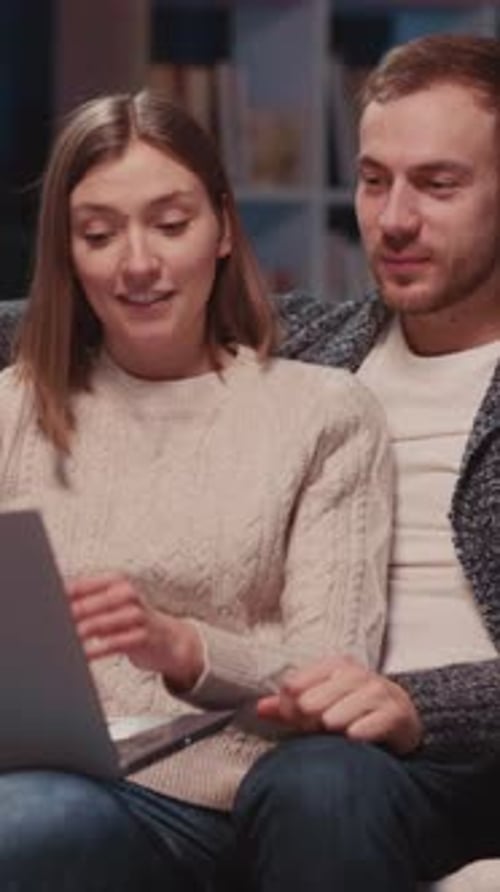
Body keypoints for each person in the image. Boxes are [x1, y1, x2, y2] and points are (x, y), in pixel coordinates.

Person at [0, 90, 393, 891]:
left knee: (33, 824)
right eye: (99, 234)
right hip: (44, 779)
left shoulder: (322, 412)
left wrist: (184, 648)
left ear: (221, 228)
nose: (137, 263)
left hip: (228, 787)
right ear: (69, 253)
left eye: (171, 225)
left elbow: (334, 668)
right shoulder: (12, 410)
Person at [230, 32, 500, 892]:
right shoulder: (316, 346)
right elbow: (89, 317)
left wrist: (425, 705)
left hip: (465, 754)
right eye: (375, 179)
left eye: (438, 184)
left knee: (318, 783)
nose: (392, 220)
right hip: (328, 755)